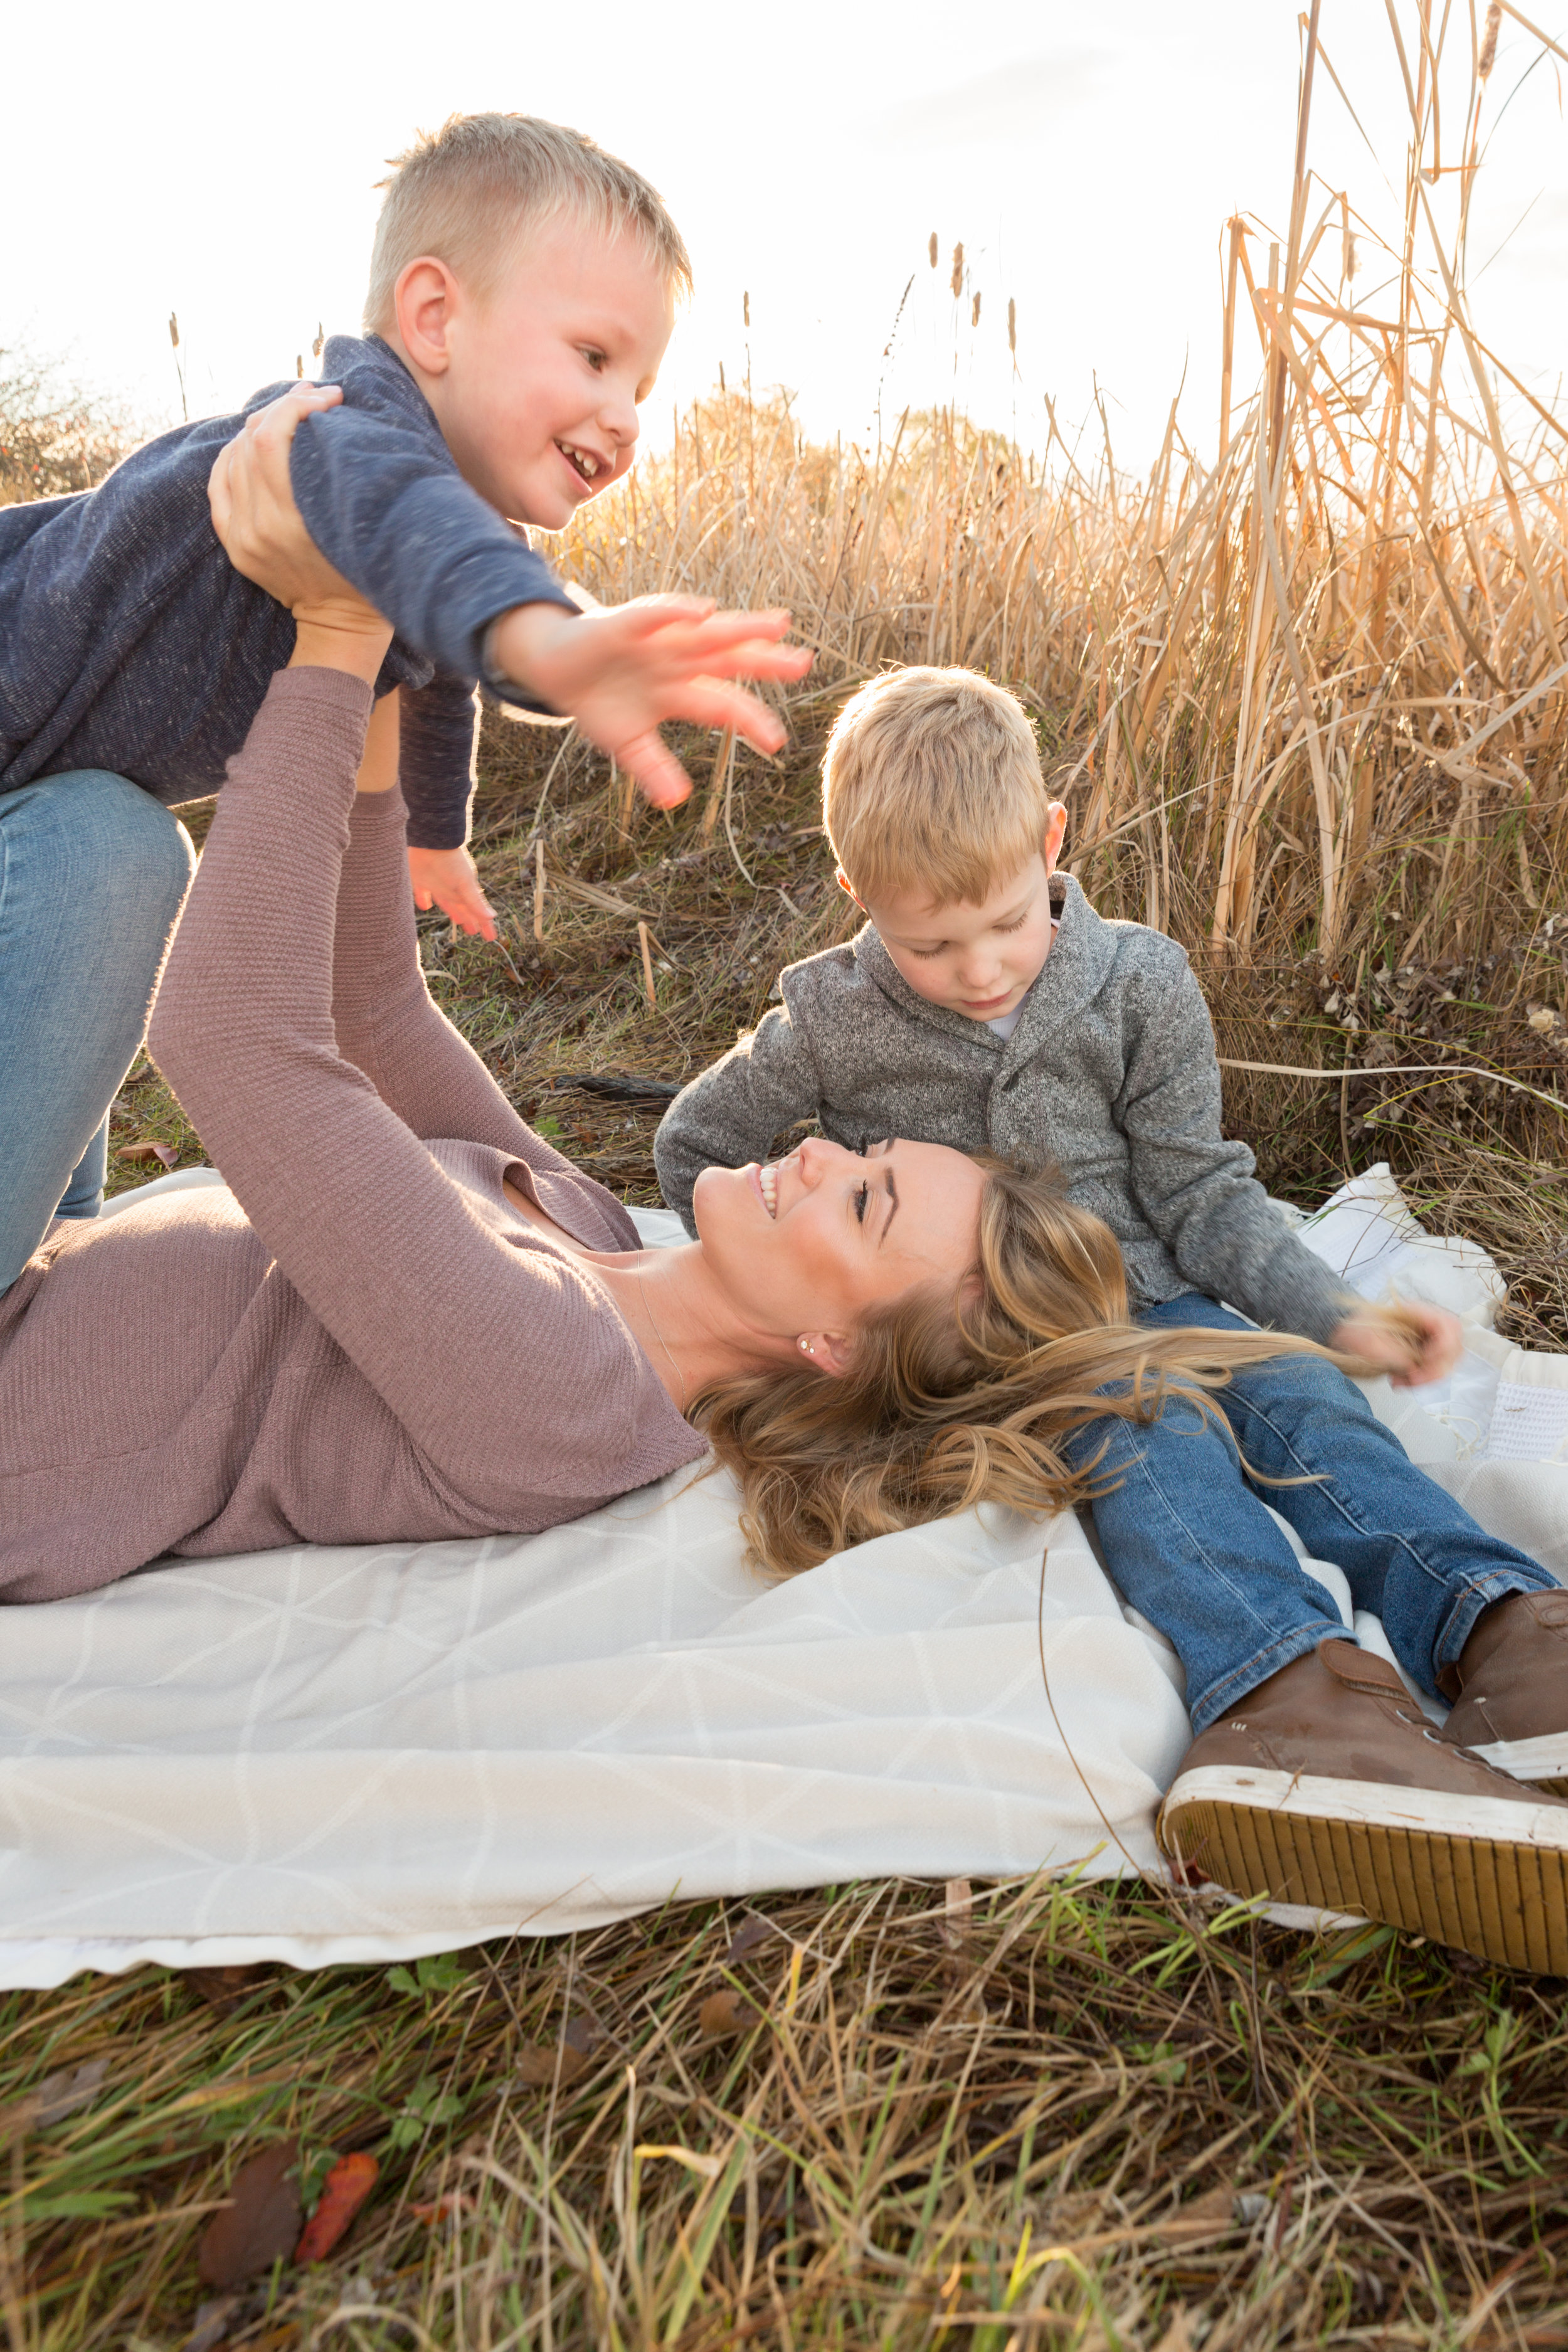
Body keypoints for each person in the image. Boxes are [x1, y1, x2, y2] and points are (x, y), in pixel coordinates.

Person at [654, 664, 1568, 1962]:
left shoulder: (1138, 984)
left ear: (1050, 844)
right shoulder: (827, 1018)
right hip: (1011, 1334)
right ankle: (1287, 1690)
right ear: (858, 901)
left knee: (1302, 1398)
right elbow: (697, 1143)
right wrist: (786, 1281)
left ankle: (1499, 1627)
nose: (974, 970)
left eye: (1003, 923)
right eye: (928, 945)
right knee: (1145, 1429)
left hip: (1163, 1283)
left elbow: (1203, 1191)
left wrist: (1331, 1312)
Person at [0, 111, 802, 1295]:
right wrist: (565, 645)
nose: (628, 412)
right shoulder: (340, 436)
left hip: (31, 803)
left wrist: (436, 831)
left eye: (642, 381)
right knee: (123, 852)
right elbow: (449, 570)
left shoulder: (420, 530)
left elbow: (431, 661)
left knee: (56, 1241)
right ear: (434, 319)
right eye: (594, 357)